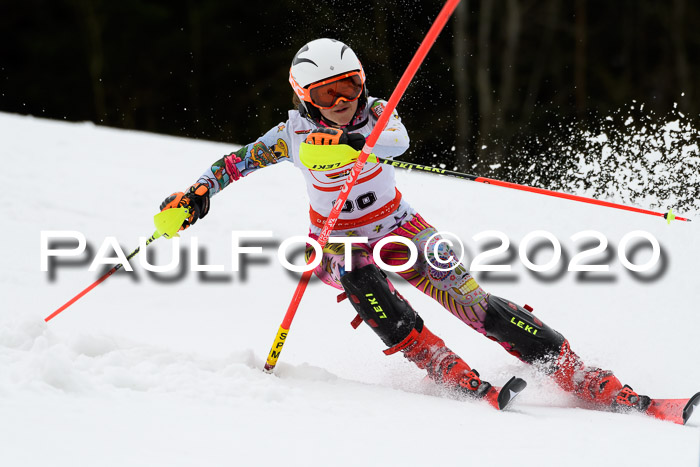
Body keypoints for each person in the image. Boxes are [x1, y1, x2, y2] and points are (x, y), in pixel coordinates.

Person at [159, 38, 648, 411]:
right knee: (355, 272)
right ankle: (433, 358)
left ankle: (570, 369)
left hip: (400, 229)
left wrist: (353, 144)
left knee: (473, 300)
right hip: (336, 239)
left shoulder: (377, 115)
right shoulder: (291, 134)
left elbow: (397, 141)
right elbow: (235, 164)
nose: (341, 101)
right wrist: (196, 197)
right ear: (305, 98)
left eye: (349, 85)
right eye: (326, 94)